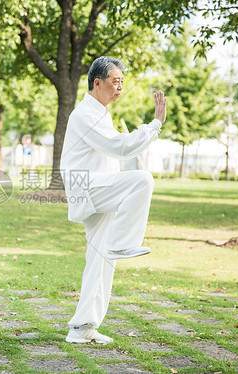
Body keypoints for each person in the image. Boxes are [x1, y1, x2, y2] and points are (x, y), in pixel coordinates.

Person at [60, 56, 167, 344]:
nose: (120, 87)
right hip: (89, 188)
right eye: (115, 82)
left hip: (99, 188)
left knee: (99, 260)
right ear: (97, 83)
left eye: (122, 82)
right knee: (142, 180)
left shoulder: (100, 112)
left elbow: (112, 153)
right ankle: (122, 243)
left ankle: (82, 328)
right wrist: (154, 125)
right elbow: (119, 147)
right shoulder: (85, 114)